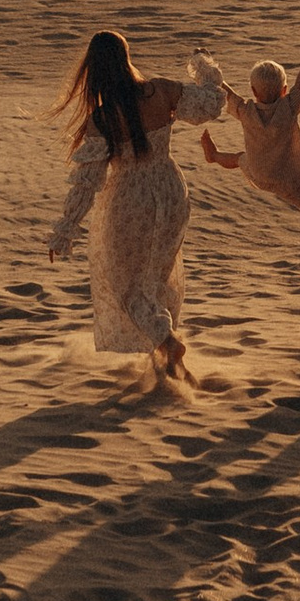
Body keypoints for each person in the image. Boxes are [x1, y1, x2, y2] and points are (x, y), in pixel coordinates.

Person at [49, 28, 226, 382]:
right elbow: (212, 103)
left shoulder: (103, 117)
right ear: (127, 58)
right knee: (156, 277)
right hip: (171, 190)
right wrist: (204, 67)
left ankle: (168, 342)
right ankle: (166, 363)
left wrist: (65, 230)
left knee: (127, 287)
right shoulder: (161, 90)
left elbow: (88, 182)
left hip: (130, 199)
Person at [199, 41, 300, 275]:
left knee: (241, 158)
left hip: (259, 173)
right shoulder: (289, 106)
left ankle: (214, 156)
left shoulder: (246, 110)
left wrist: (205, 68)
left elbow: (226, 91)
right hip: (290, 180)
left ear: (253, 91)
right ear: (284, 90)